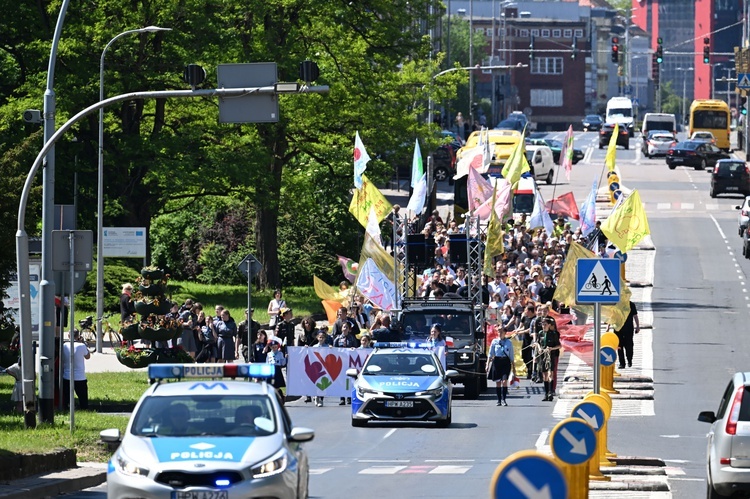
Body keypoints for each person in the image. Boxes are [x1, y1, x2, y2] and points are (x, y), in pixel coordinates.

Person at [486, 329, 516, 406]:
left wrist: (514, 367)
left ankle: (504, 399)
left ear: (505, 333)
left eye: (502, 332)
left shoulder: (509, 343)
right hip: (497, 362)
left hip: (505, 362)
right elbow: (490, 354)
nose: (500, 333)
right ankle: (499, 400)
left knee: (504, 381)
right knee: (498, 382)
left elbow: (511, 355)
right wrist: (487, 365)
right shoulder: (494, 341)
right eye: (499, 332)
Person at [62, 331, 91, 410]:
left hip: (67, 376)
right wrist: (83, 343)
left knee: (66, 398)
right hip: (80, 377)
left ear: (68, 336)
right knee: (83, 399)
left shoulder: (64, 345)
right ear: (78, 336)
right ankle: (83, 409)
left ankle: (67, 409)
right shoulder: (82, 346)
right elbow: (88, 356)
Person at [537, 317, 561, 401]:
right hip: (543, 356)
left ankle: (551, 392)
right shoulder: (540, 333)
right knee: (544, 375)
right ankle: (546, 393)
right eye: (542, 324)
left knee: (551, 373)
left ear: (549, 325)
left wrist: (551, 348)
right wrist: (539, 348)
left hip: (551, 355)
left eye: (545, 324)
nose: (543, 326)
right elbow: (538, 343)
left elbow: (559, 345)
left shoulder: (553, 334)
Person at [333, 322, 358, 405]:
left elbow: (356, 349)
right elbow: (334, 350)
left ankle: (349, 397)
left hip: (349, 362)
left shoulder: (352, 338)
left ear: (349, 329)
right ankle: (342, 398)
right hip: (340, 363)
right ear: (341, 329)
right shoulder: (338, 338)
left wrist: (353, 349)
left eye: (347, 327)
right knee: (341, 380)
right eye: (344, 327)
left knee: (350, 380)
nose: (345, 328)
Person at [615, 301, 640, 368]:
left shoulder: (631, 304)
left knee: (629, 345)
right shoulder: (616, 304)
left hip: (628, 328)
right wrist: (608, 325)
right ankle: (622, 363)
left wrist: (637, 326)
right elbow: (612, 315)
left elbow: (635, 316)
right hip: (618, 328)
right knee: (619, 346)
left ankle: (629, 360)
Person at [312, 330, 329, 407]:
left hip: (324, 367)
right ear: (317, 338)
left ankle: (321, 399)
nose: (321, 339)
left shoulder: (327, 347)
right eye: (320, 337)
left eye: (322, 337)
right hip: (316, 366)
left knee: (323, 384)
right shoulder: (314, 347)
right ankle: (316, 396)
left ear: (325, 338)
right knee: (316, 383)